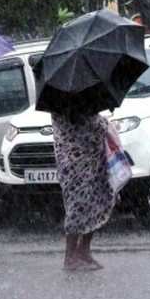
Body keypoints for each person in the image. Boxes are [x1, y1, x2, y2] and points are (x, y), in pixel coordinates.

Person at [52, 105, 115, 271]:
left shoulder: (82, 101)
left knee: (95, 205)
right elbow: (90, 128)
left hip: (92, 163)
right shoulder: (63, 106)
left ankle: (83, 251)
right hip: (75, 166)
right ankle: (70, 256)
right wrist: (104, 123)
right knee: (77, 208)